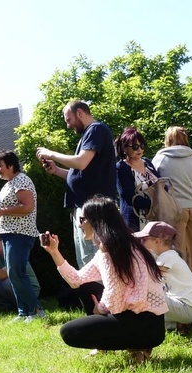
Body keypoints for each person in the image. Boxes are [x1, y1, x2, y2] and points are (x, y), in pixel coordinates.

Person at [40, 196, 168, 364]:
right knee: (86, 287)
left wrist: (99, 309)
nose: (79, 225)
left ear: (95, 221)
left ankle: (136, 346)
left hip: (143, 326)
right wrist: (54, 252)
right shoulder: (118, 246)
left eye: (82, 219)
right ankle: (127, 347)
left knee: (68, 332)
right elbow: (76, 280)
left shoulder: (111, 252)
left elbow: (115, 294)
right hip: (152, 325)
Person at [35, 100, 117, 268]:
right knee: (86, 260)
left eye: (68, 119)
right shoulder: (89, 134)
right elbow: (81, 173)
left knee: (94, 261)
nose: (67, 125)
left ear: (80, 113)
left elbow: (81, 162)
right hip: (84, 206)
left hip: (94, 209)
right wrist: (56, 170)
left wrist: (51, 153)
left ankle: (102, 293)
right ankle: (95, 293)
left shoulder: (96, 129)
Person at [0, 150, 45, 322]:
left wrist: (3, 211)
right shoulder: (9, 184)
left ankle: (36, 310)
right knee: (14, 274)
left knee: (16, 272)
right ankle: (24, 312)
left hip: (20, 234)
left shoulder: (21, 180)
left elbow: (27, 206)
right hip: (9, 235)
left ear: (11, 165)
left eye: (0, 166)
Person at [152, 126, 192, 285]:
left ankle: (180, 286)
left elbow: (154, 180)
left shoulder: (161, 158)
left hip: (174, 208)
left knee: (176, 250)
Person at [136, 222, 192, 332]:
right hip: (183, 307)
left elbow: (148, 274)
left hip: (186, 308)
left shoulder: (168, 256)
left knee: (146, 296)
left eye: (144, 239)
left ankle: (181, 322)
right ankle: (178, 325)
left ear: (158, 241)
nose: (141, 242)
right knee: (150, 321)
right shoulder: (166, 256)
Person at [114, 127, 158, 231]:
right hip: (135, 220)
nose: (140, 149)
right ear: (124, 148)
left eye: (142, 145)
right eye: (135, 146)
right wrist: (155, 204)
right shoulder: (121, 167)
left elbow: (161, 183)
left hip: (155, 217)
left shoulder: (147, 162)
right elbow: (128, 196)